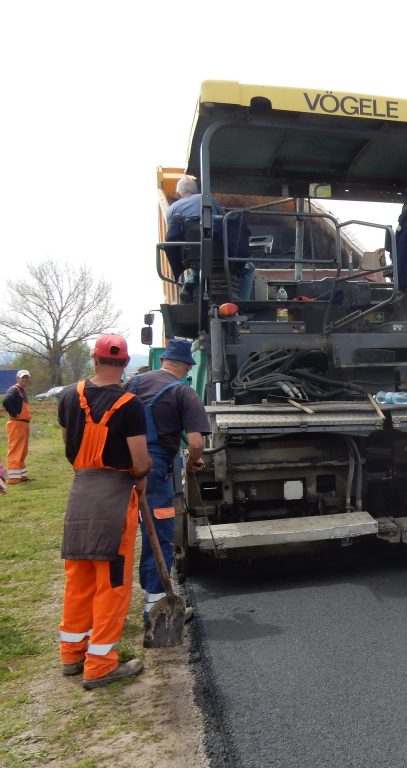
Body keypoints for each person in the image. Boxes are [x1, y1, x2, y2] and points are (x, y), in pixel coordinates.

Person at [57, 334, 151, 689]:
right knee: (111, 582)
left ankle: (71, 655)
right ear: (125, 364)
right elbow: (139, 459)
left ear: (94, 360)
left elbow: (69, 442)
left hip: (81, 492)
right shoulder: (130, 404)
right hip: (113, 496)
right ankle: (100, 666)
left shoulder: (69, 395)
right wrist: (141, 475)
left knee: (78, 577)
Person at [125, 338, 210, 627]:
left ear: (163, 360)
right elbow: (196, 442)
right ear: (188, 366)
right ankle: (156, 609)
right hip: (155, 470)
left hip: (121, 466)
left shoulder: (134, 384)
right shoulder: (184, 393)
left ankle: (110, 610)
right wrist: (193, 460)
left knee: (120, 535)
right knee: (158, 535)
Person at [165, 175, 254, 300]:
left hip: (192, 258)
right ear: (196, 192)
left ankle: (188, 284)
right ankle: (243, 303)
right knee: (249, 269)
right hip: (219, 255)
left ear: (178, 195)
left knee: (198, 266)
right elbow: (225, 222)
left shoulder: (171, 210)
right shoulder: (208, 200)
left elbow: (173, 235)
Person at [4, 369, 33, 484]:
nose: (25, 379)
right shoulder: (14, 389)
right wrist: (15, 413)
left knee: (22, 451)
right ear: (17, 379)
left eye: (26, 377)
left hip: (23, 424)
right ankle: (14, 478)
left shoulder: (21, 391)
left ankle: (21, 476)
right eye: (23, 377)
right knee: (16, 450)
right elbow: (6, 401)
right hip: (17, 423)